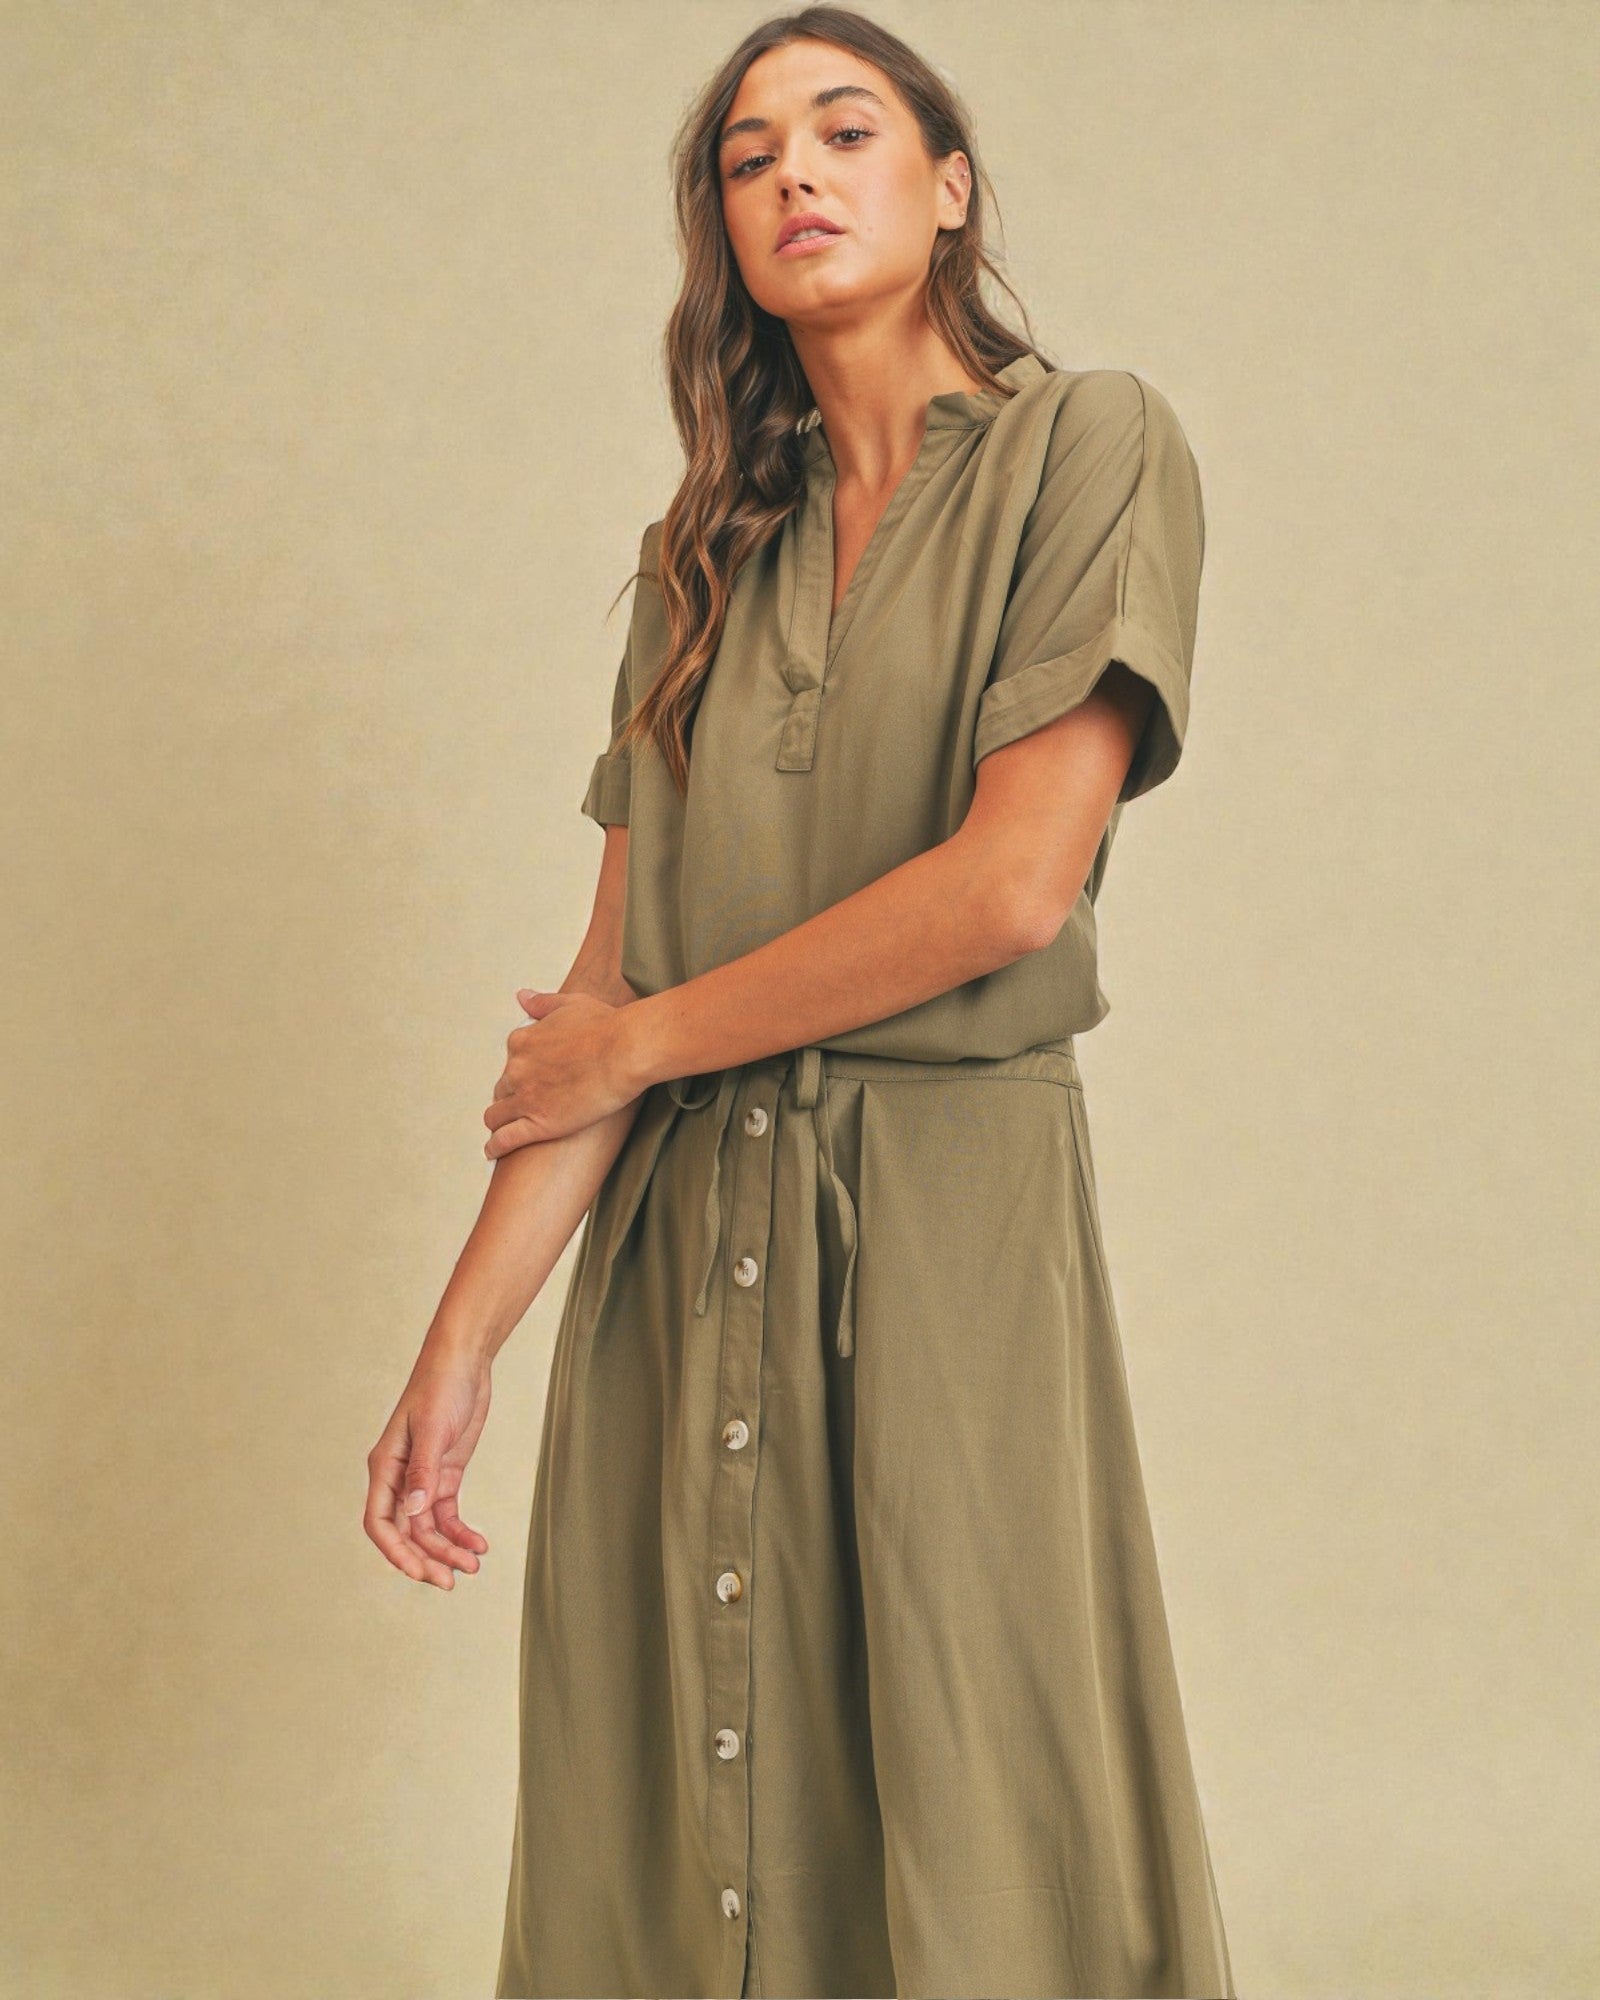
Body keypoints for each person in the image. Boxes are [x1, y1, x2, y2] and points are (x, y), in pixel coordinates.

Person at [363, 8, 1235, 1997]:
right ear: (724, 232)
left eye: (843, 132)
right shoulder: (698, 569)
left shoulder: (1083, 449)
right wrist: (456, 1352)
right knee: (669, 1803)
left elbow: (1008, 887)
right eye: (747, 158)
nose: (794, 177)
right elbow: (597, 994)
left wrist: (649, 1043)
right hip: (676, 1267)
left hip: (943, 1232)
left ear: (945, 188)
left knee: (975, 1785)